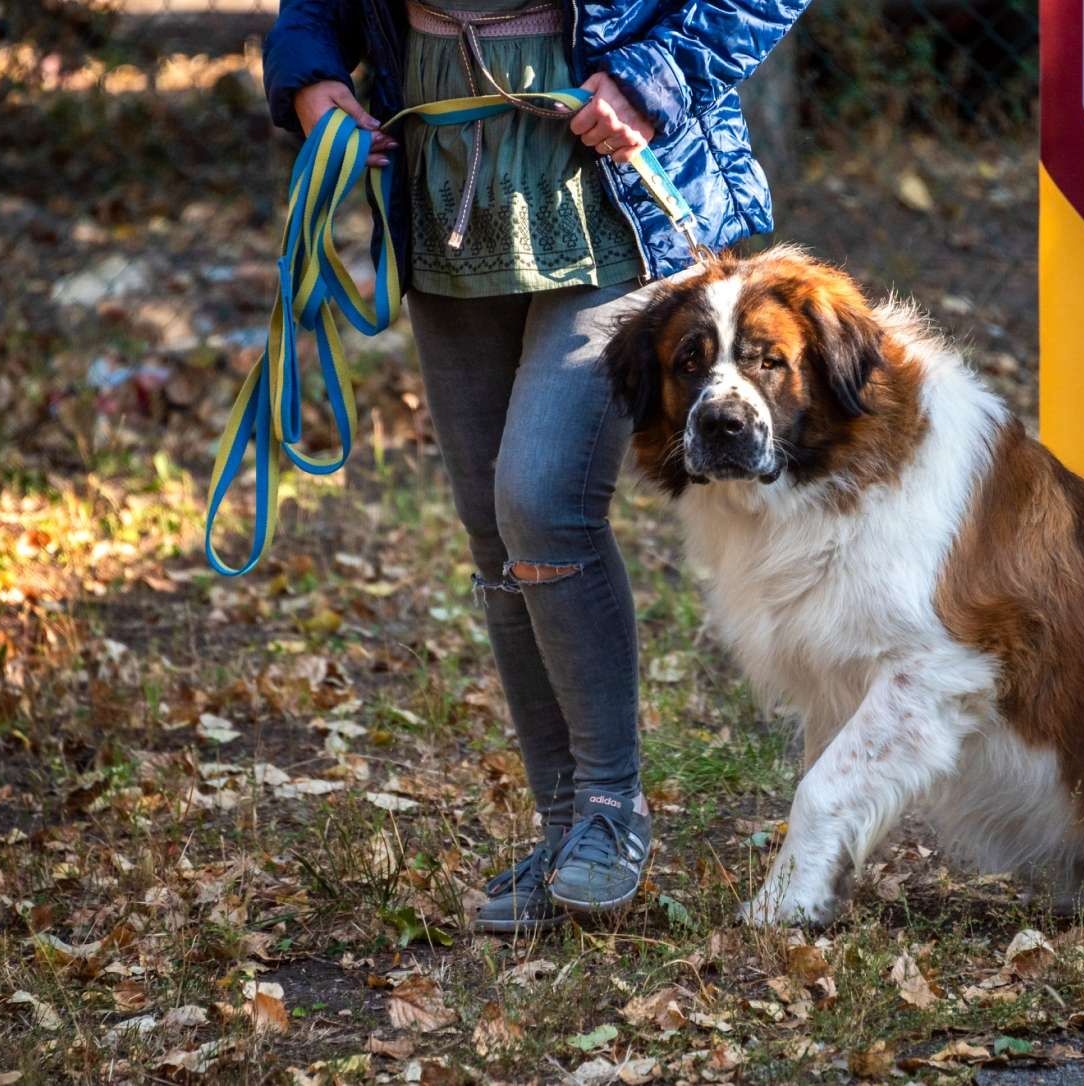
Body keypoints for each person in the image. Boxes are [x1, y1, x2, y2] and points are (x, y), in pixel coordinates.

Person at [262, 0, 807, 934]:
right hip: (440, 158)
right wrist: (311, 76)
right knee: (493, 525)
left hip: (610, 173)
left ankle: (610, 806)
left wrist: (655, 78)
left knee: (540, 496)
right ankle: (564, 832)